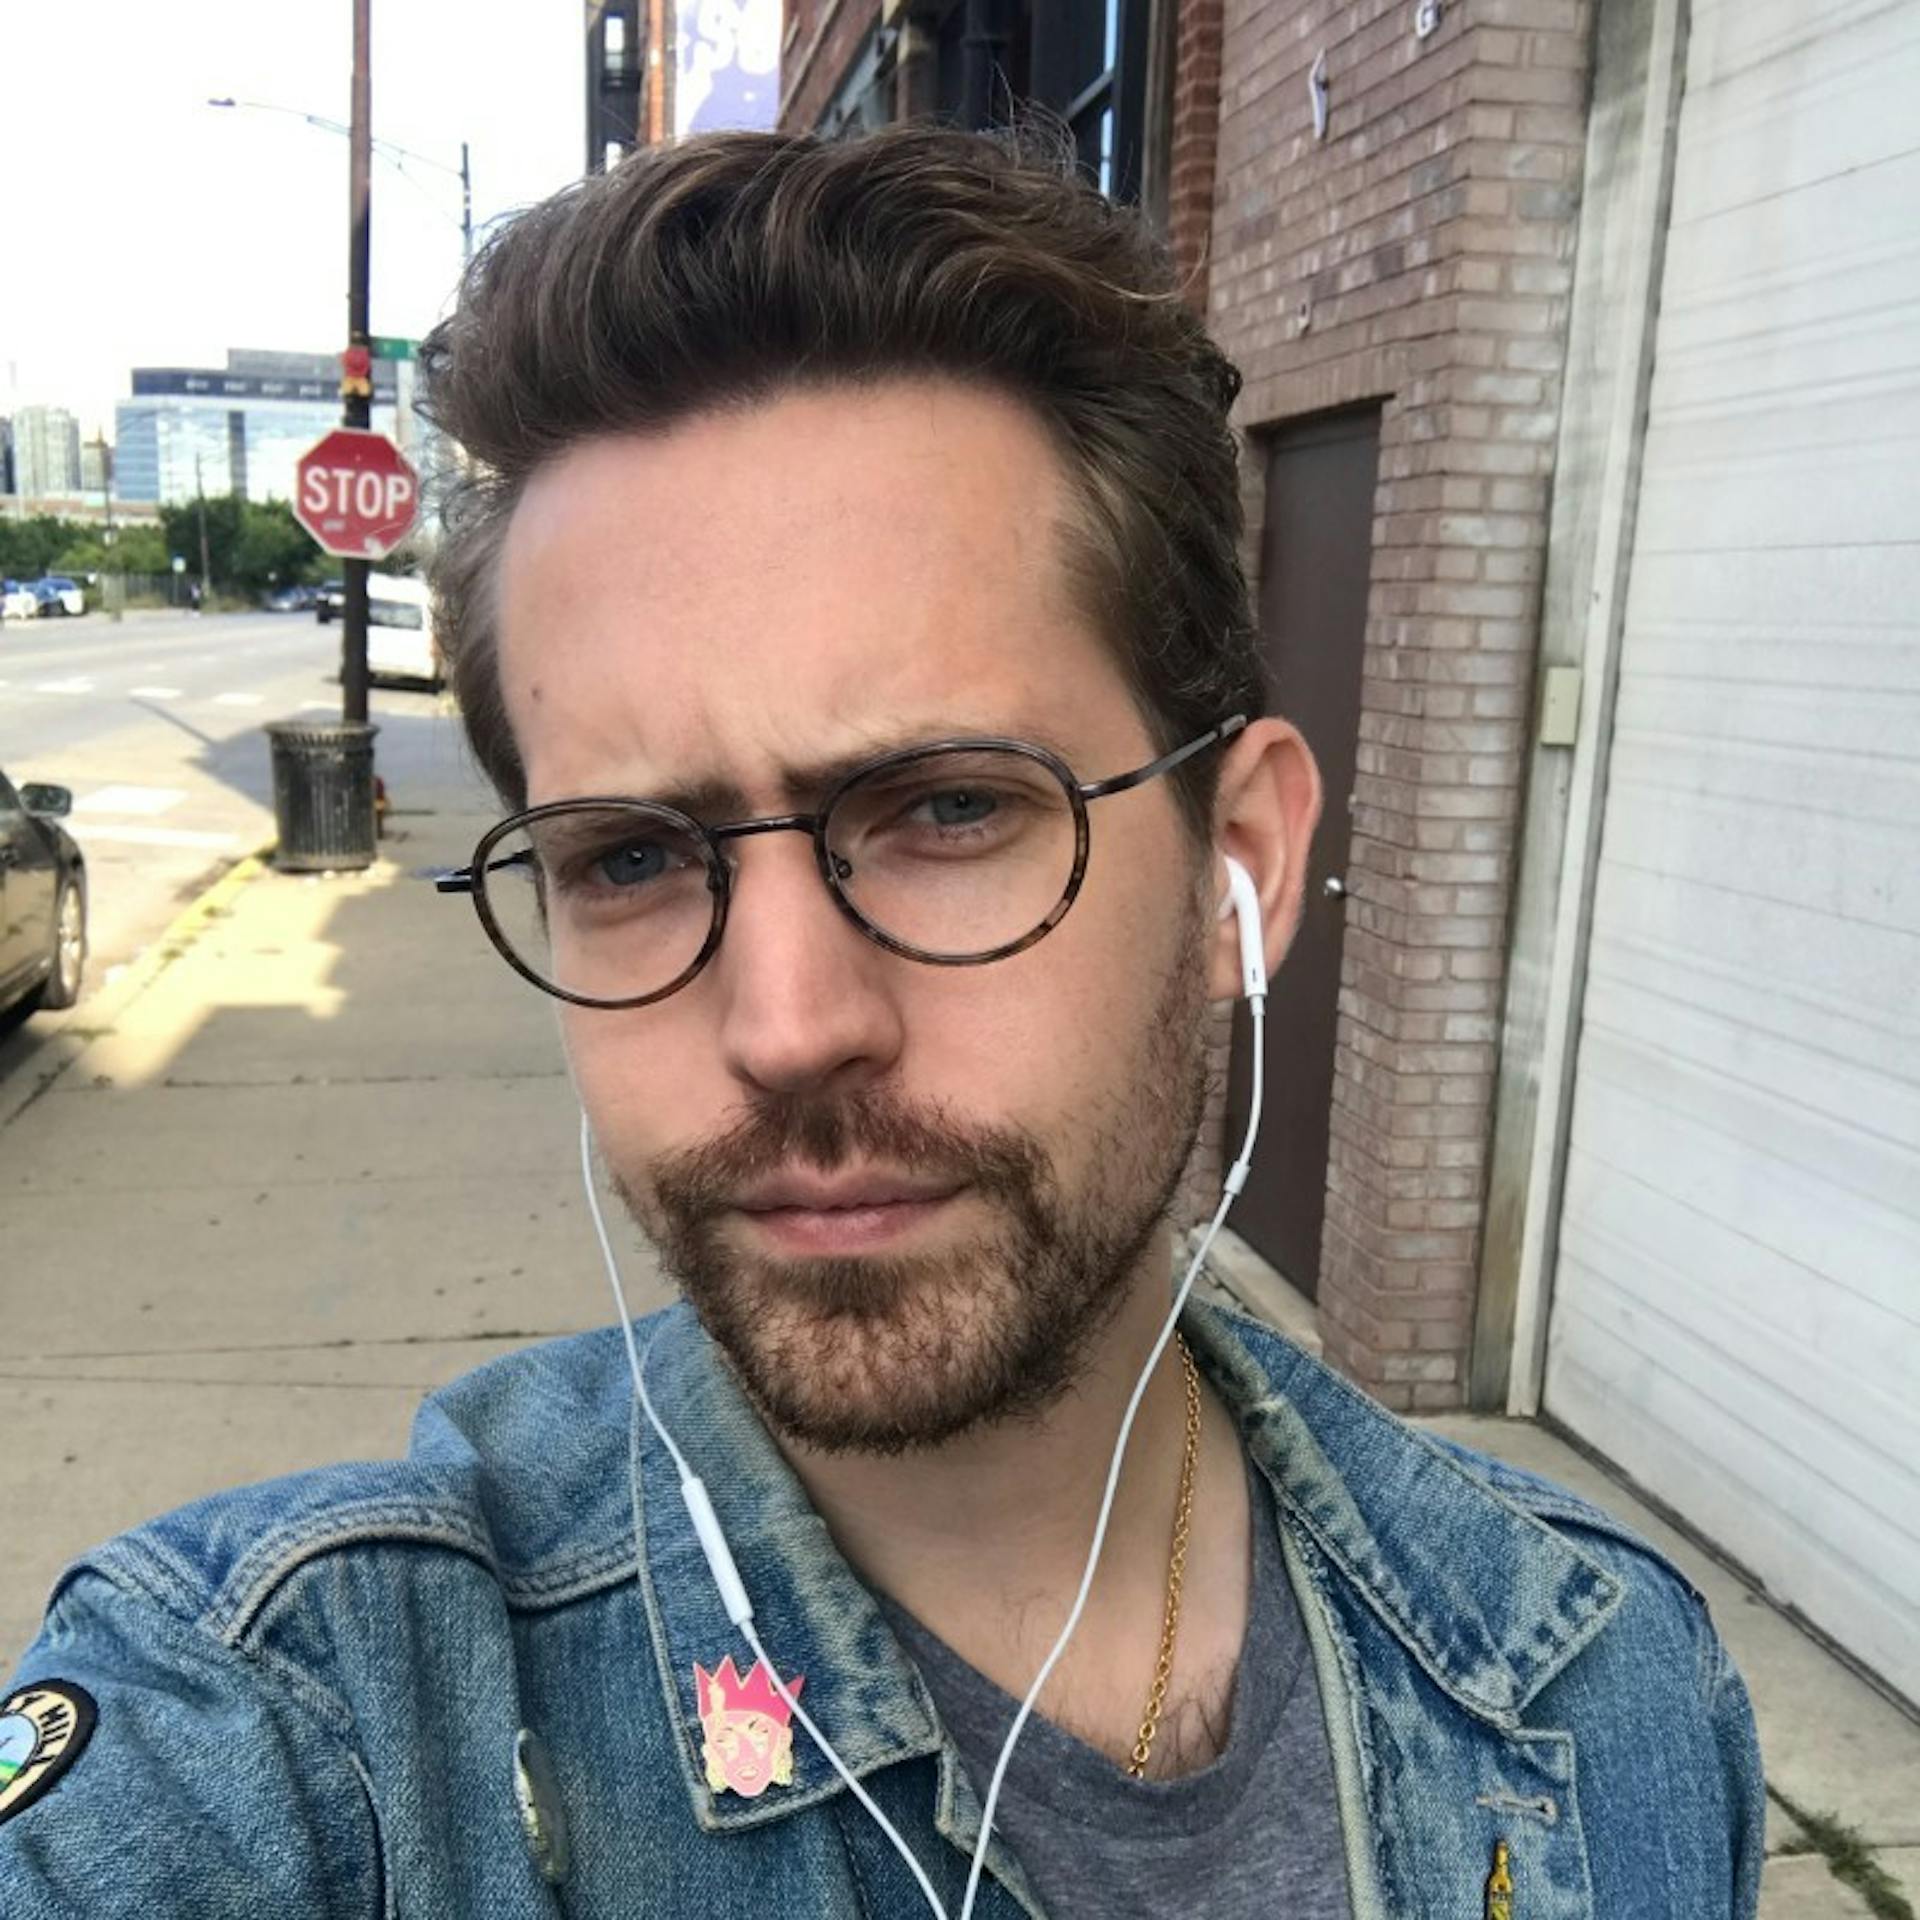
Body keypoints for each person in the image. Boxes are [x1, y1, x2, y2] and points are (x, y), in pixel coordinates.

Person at [0, 122, 1764, 1917]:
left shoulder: (1606, 1688)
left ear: (1238, 863)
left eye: (944, 811)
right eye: (631, 859)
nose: (784, 1023)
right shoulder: (297, 1734)